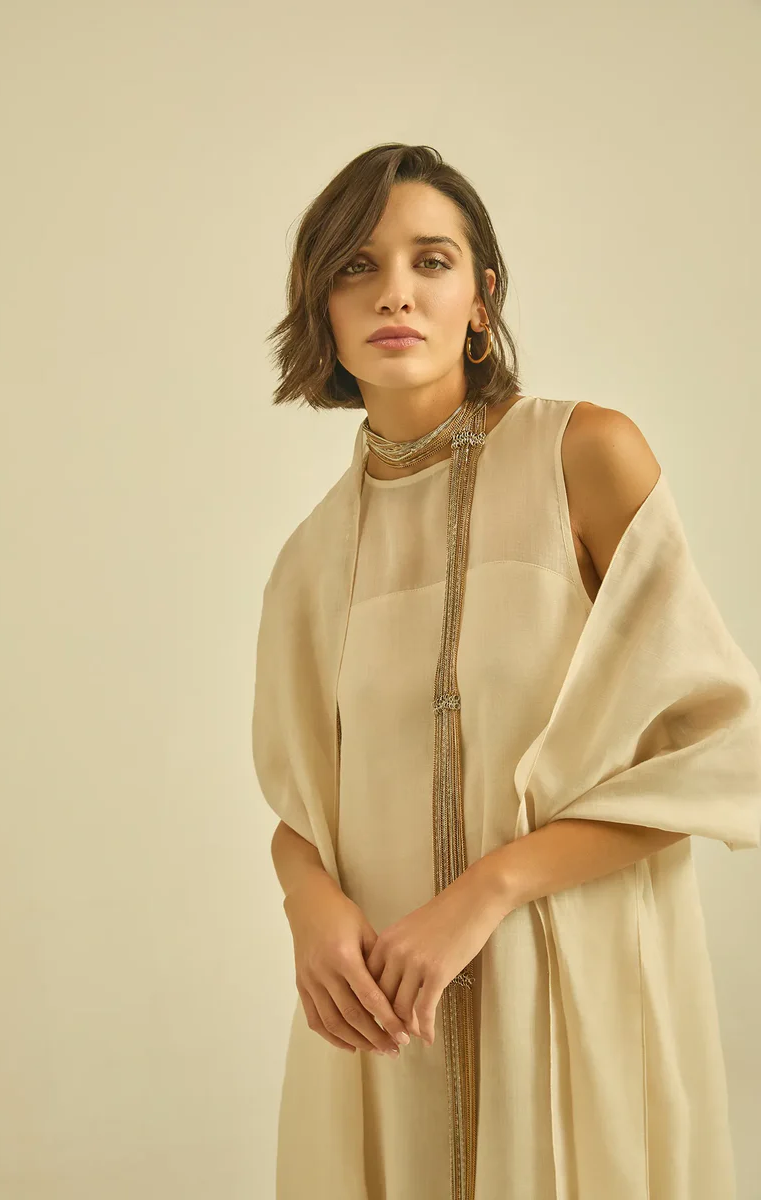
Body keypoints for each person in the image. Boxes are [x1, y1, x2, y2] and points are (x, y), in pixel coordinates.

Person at [251, 143, 761, 1200]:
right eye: (355, 266)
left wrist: (487, 891)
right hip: (382, 1023)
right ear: (321, 307)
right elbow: (301, 808)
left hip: (572, 994)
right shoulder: (308, 560)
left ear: (481, 299)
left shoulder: (584, 456)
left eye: (430, 260)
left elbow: (719, 752)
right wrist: (306, 901)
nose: (394, 291)